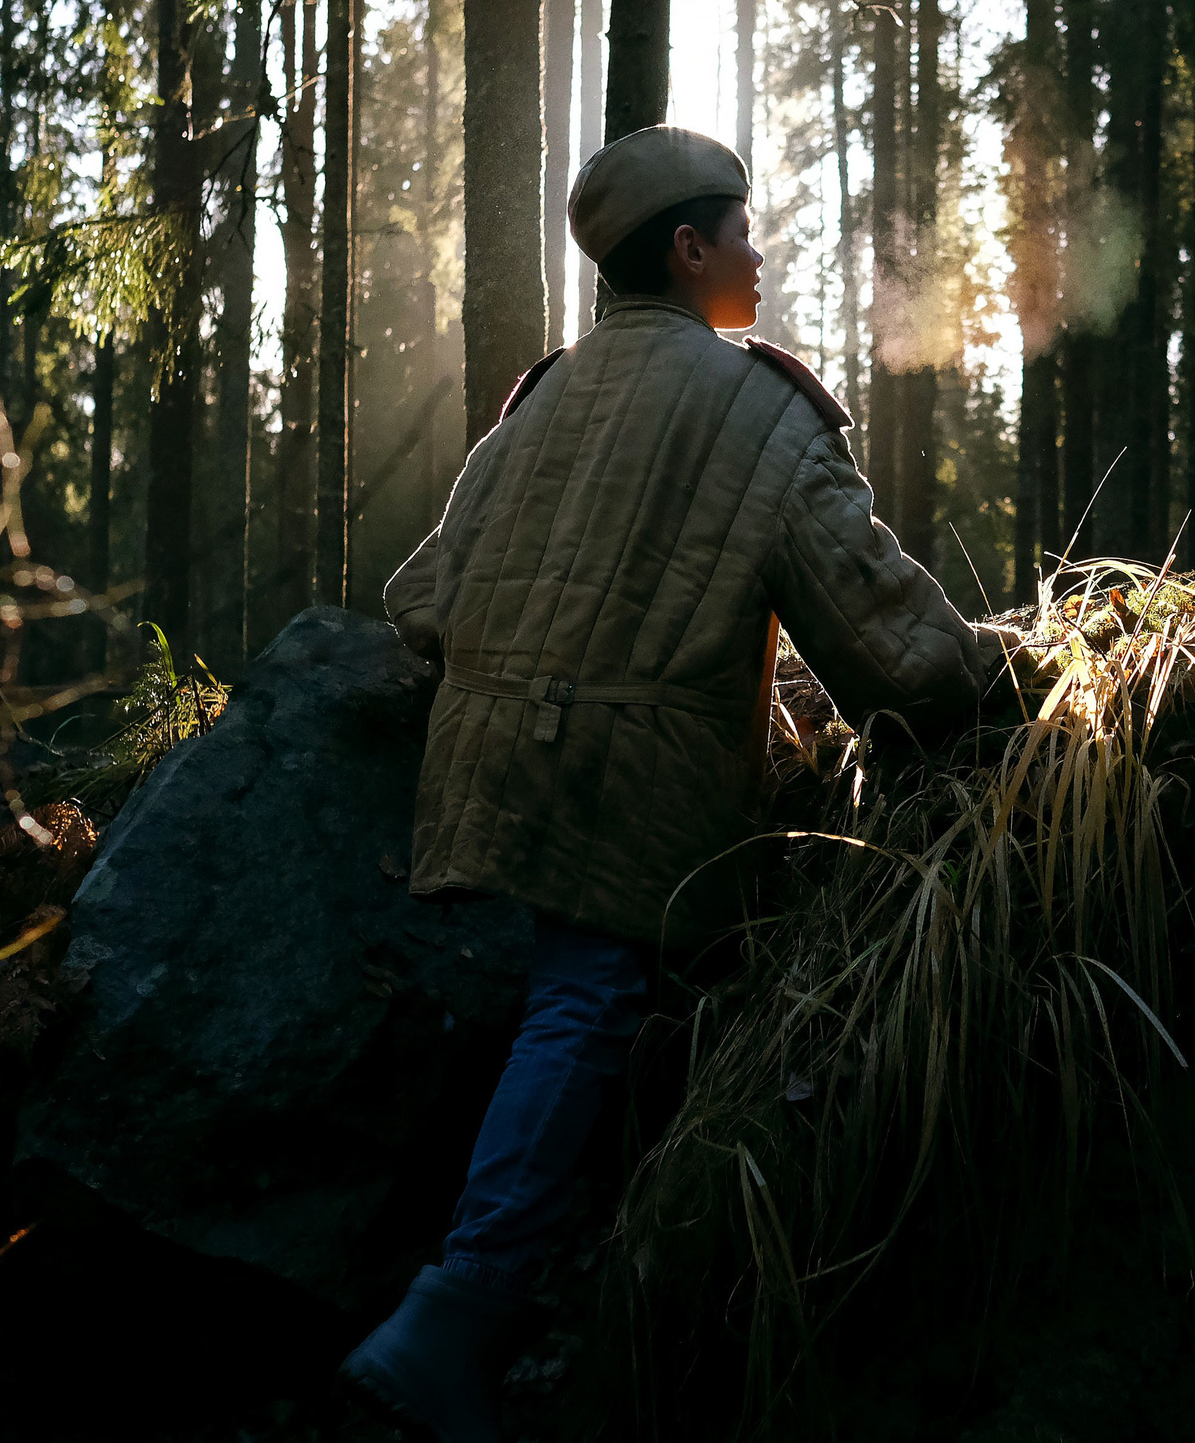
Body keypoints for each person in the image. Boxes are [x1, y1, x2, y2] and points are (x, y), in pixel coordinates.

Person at [340, 126, 996, 1442]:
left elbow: (421, 599)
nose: (760, 251)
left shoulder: (540, 401)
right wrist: (1013, 683)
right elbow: (888, 640)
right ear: (689, 248)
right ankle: (454, 1318)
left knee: (572, 995)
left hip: (490, 765)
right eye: (743, 229)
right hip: (622, 784)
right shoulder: (759, 409)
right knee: (588, 999)